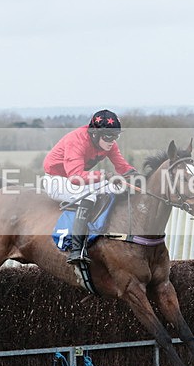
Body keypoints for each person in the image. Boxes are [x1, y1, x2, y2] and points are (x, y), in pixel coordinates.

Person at [43, 109, 138, 265]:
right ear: (94, 133)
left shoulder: (108, 144)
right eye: (108, 137)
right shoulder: (76, 141)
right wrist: (104, 176)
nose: (112, 141)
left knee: (118, 188)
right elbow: (75, 177)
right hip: (57, 180)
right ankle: (76, 249)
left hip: (78, 178)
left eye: (115, 136)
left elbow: (122, 166)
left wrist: (137, 177)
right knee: (89, 196)